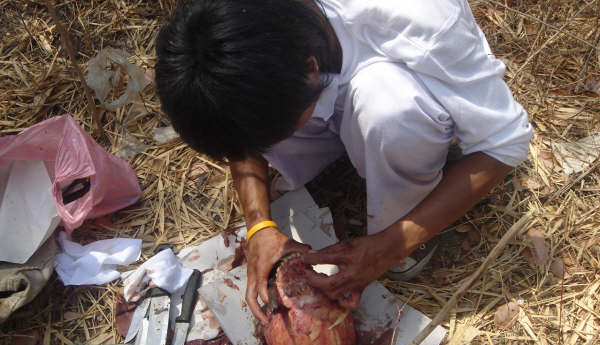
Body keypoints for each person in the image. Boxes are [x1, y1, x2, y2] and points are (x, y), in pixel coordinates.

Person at [155, 0, 532, 324]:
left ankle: (399, 219)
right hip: (302, 94)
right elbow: (237, 122)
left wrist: (391, 245)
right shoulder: (239, 23)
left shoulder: (420, 22)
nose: (260, 149)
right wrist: (259, 226)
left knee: (389, 110)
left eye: (270, 137)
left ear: (310, 68)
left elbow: (503, 144)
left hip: (396, 100)